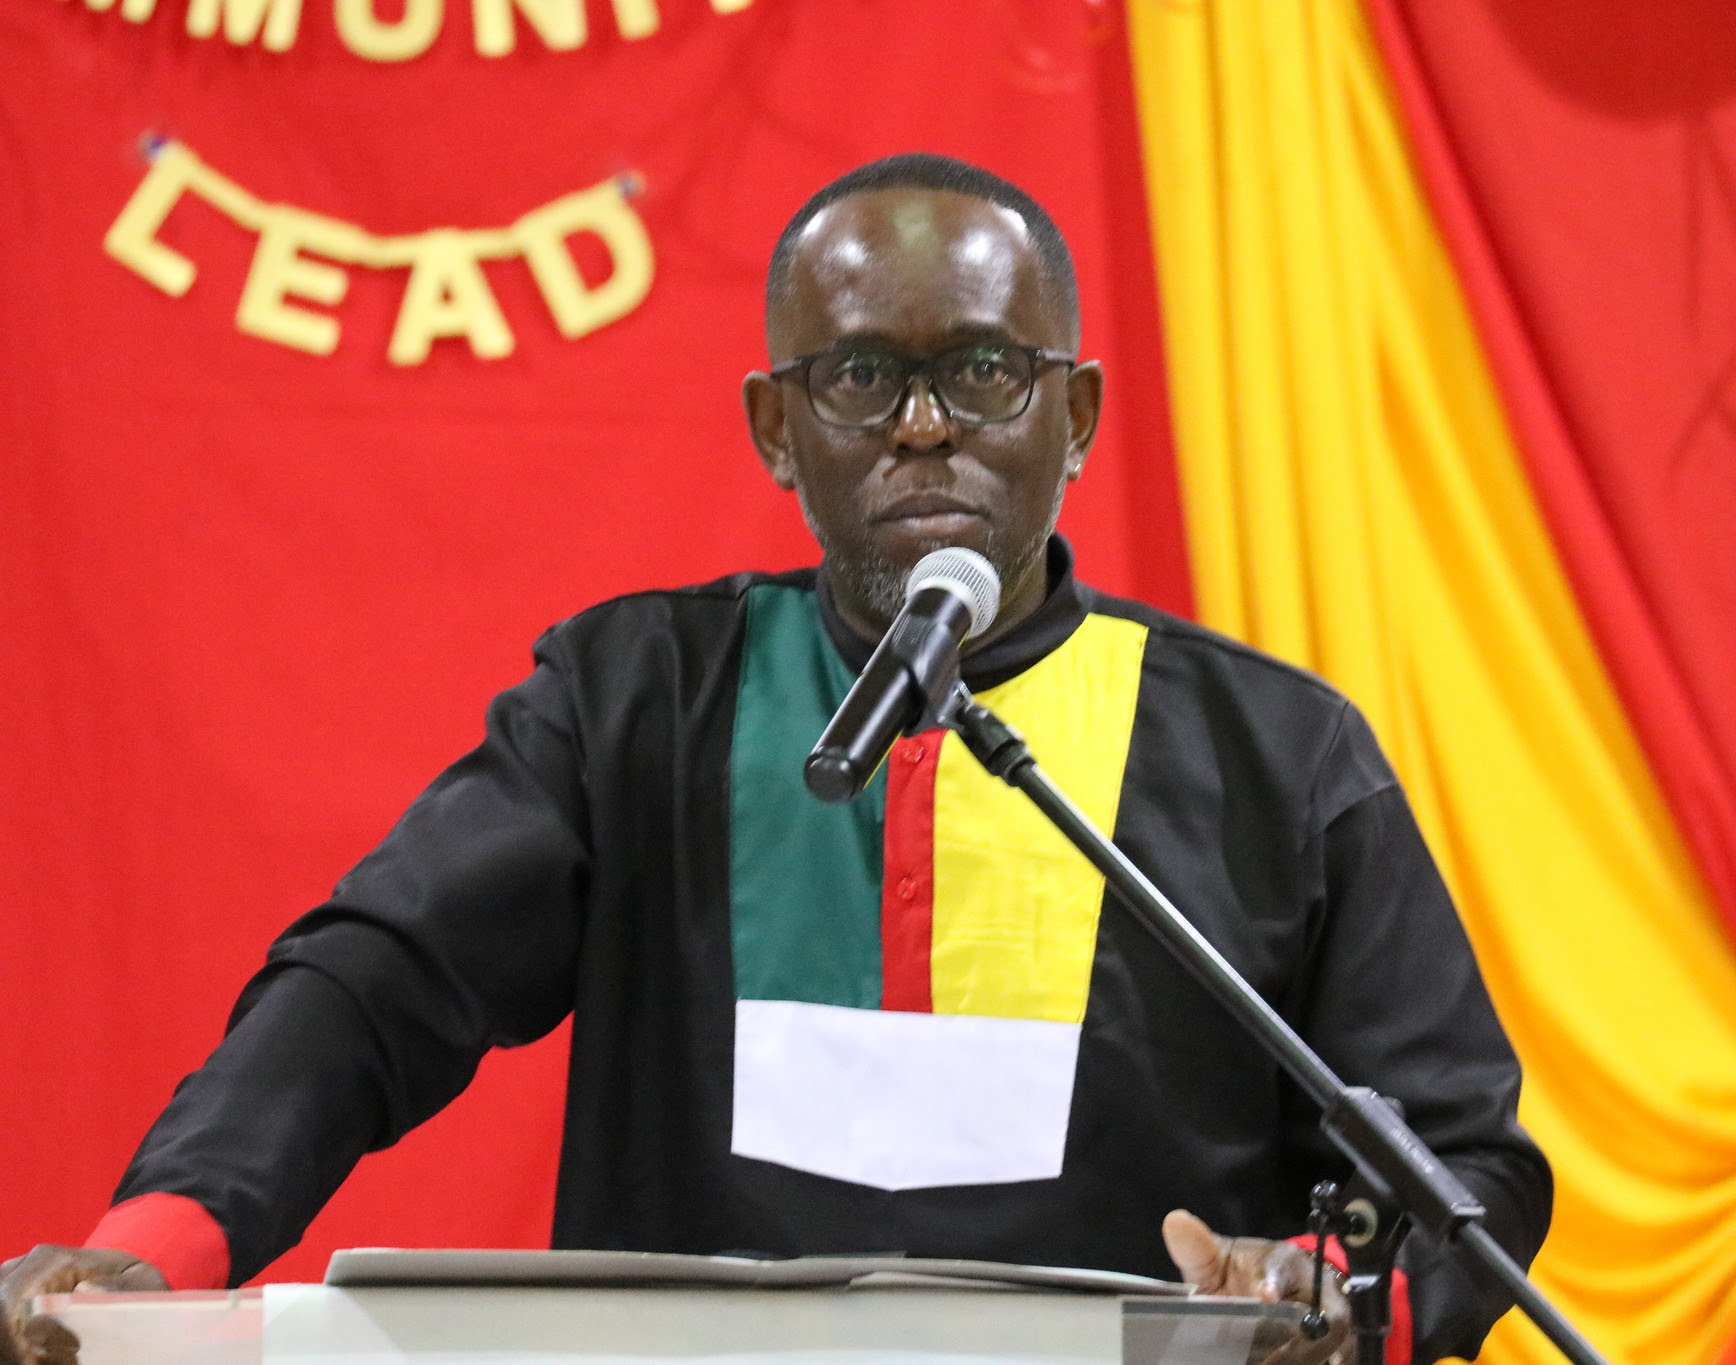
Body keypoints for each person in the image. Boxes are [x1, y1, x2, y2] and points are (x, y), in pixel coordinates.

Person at [0, 154, 1550, 1365]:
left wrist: (1331, 1290)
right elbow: (375, 984)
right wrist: (163, 1241)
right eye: (860, 377)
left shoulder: (1279, 754)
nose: (925, 426)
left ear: (1075, 415)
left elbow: (1460, 1154)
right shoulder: (631, 702)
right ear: (772, 428)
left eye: (988, 372)